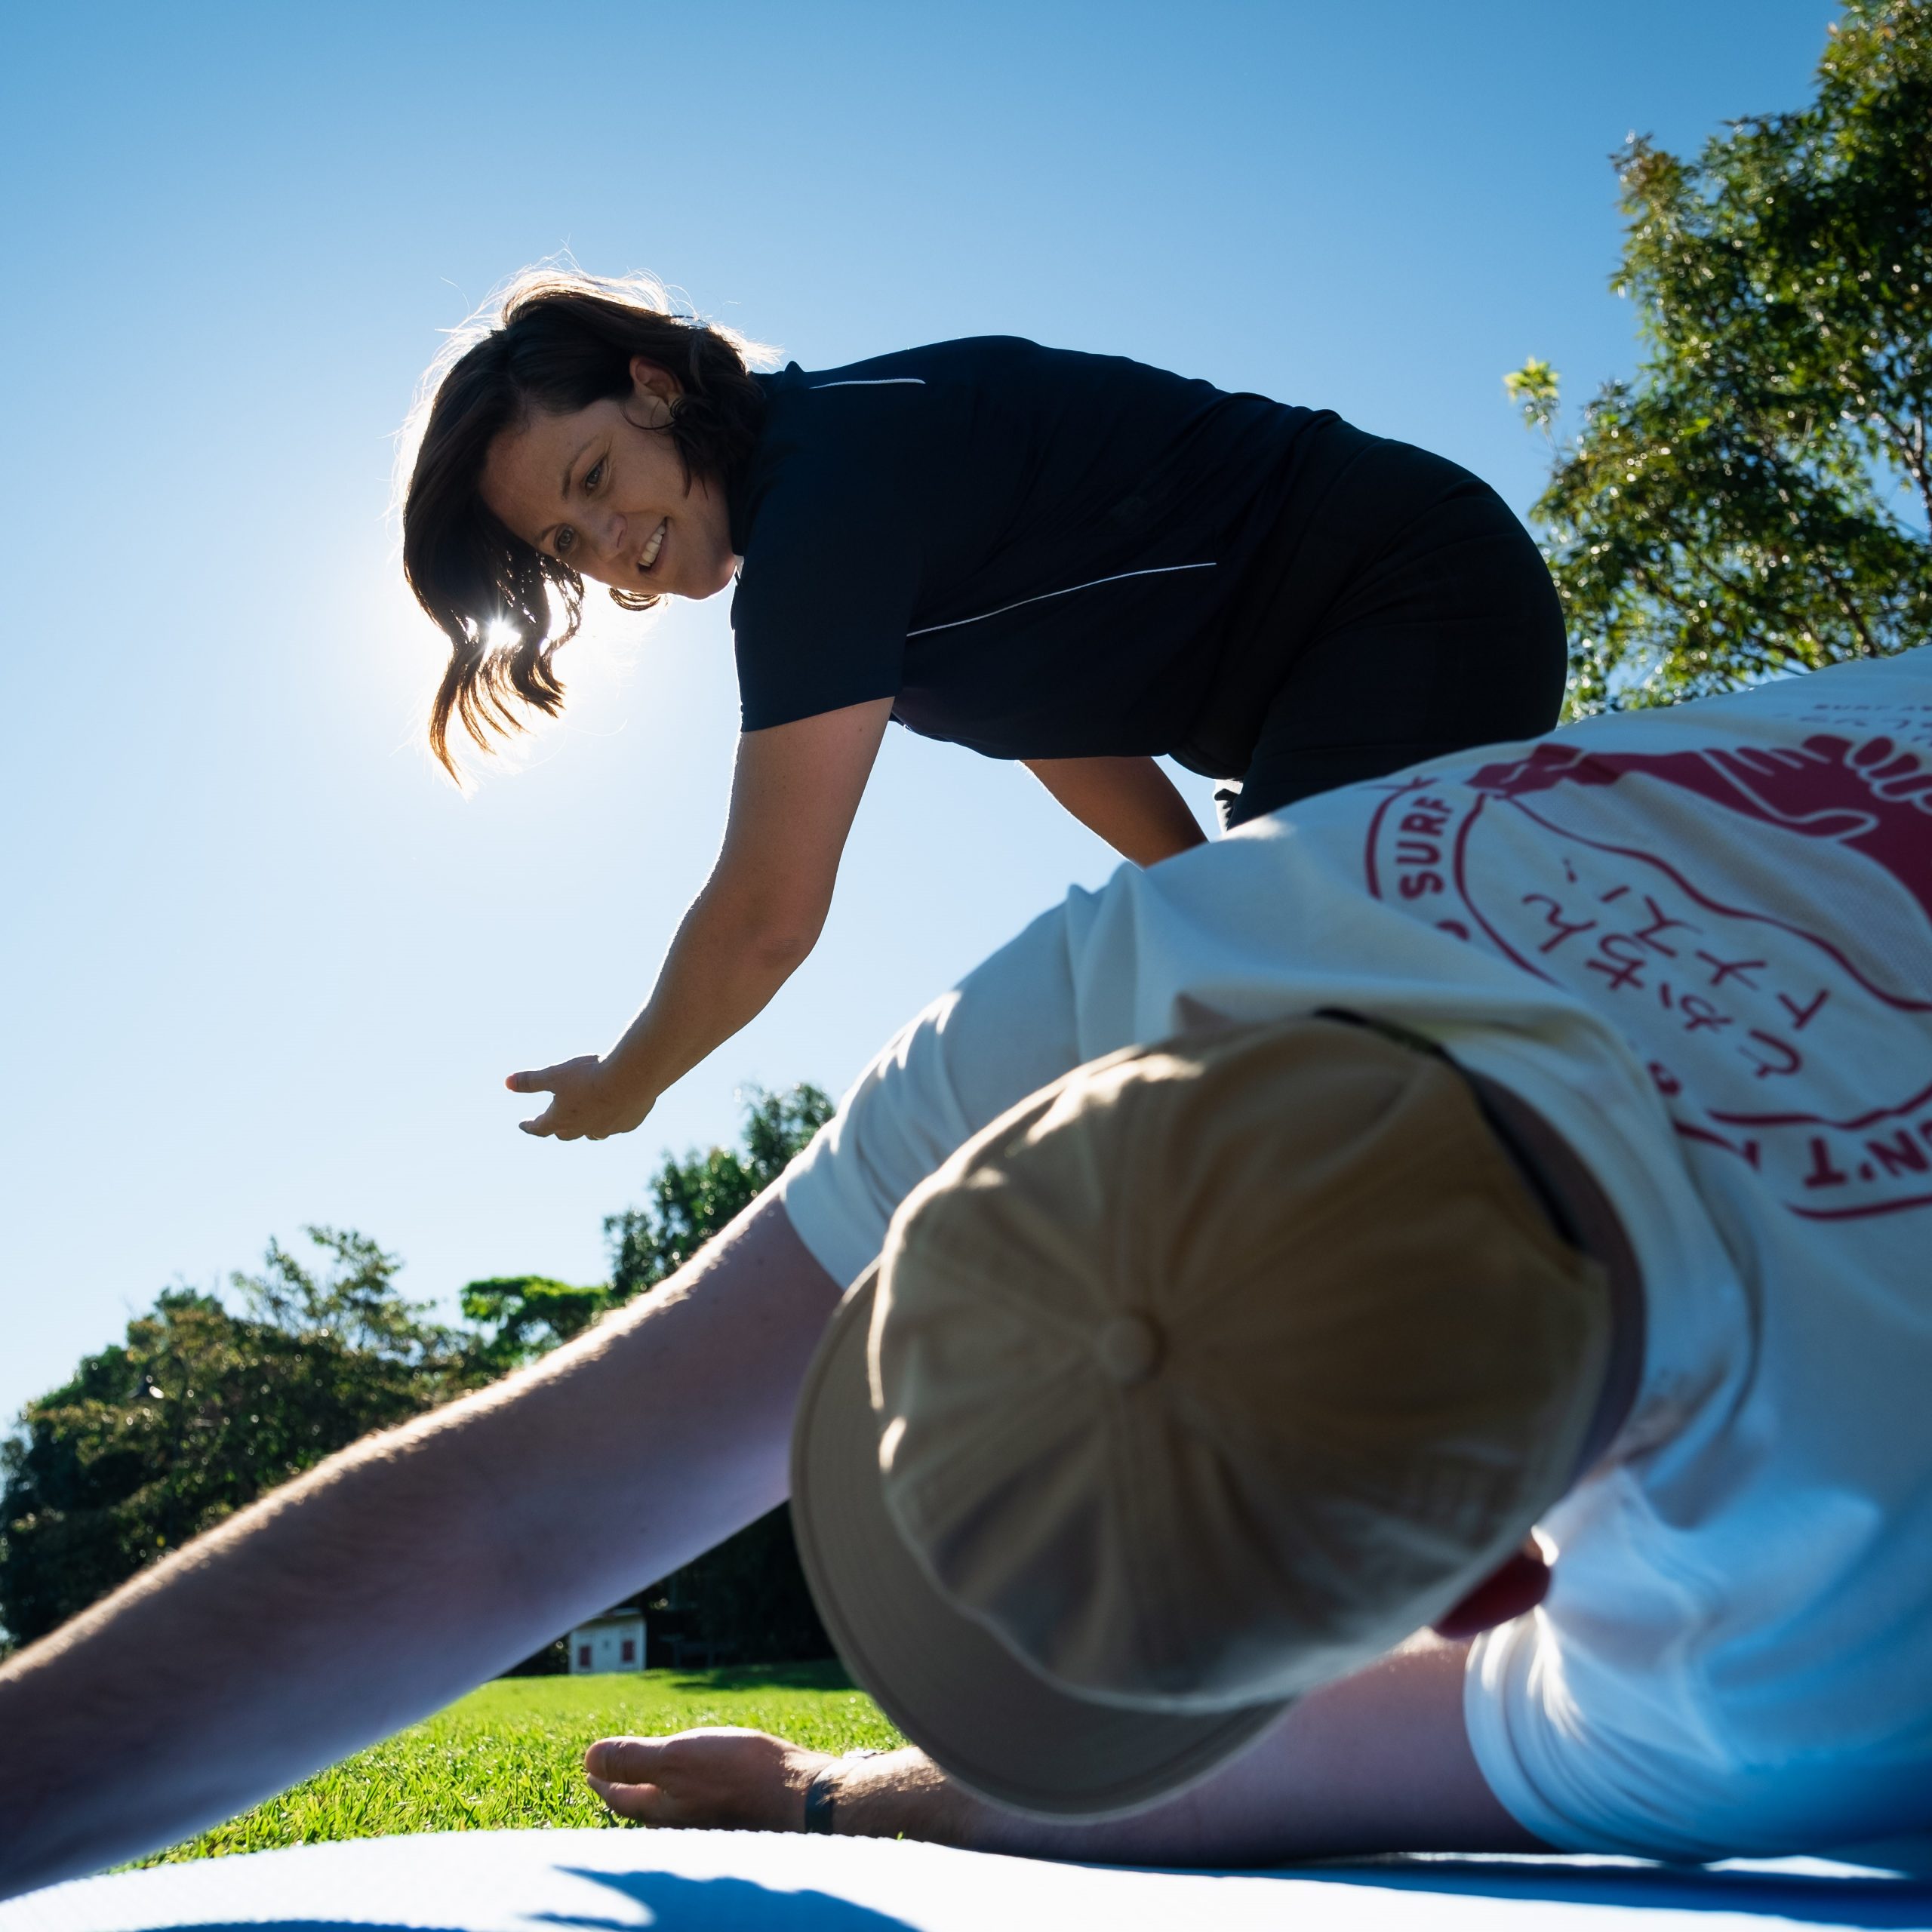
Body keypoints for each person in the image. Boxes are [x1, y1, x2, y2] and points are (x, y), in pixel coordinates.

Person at [5, 646, 1930, 1900]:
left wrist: (834, 1793)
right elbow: (513, 1510)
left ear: (1495, 1581)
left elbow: (1292, 1779)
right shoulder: (1172, 939)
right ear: (1030, 1139)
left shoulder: (1819, 1634)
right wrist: (821, 1796)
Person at [400, 269, 1565, 1144]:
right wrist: (1200, 886)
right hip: (1350, 660)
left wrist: (629, 1079)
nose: (610, 548)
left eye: (595, 478)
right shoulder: (815, 524)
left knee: (1306, 1065)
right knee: (1274, 1018)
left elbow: (766, 916)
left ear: (653, 387)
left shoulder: (826, 499)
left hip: (1409, 592)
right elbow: (1058, 725)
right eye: (566, 541)